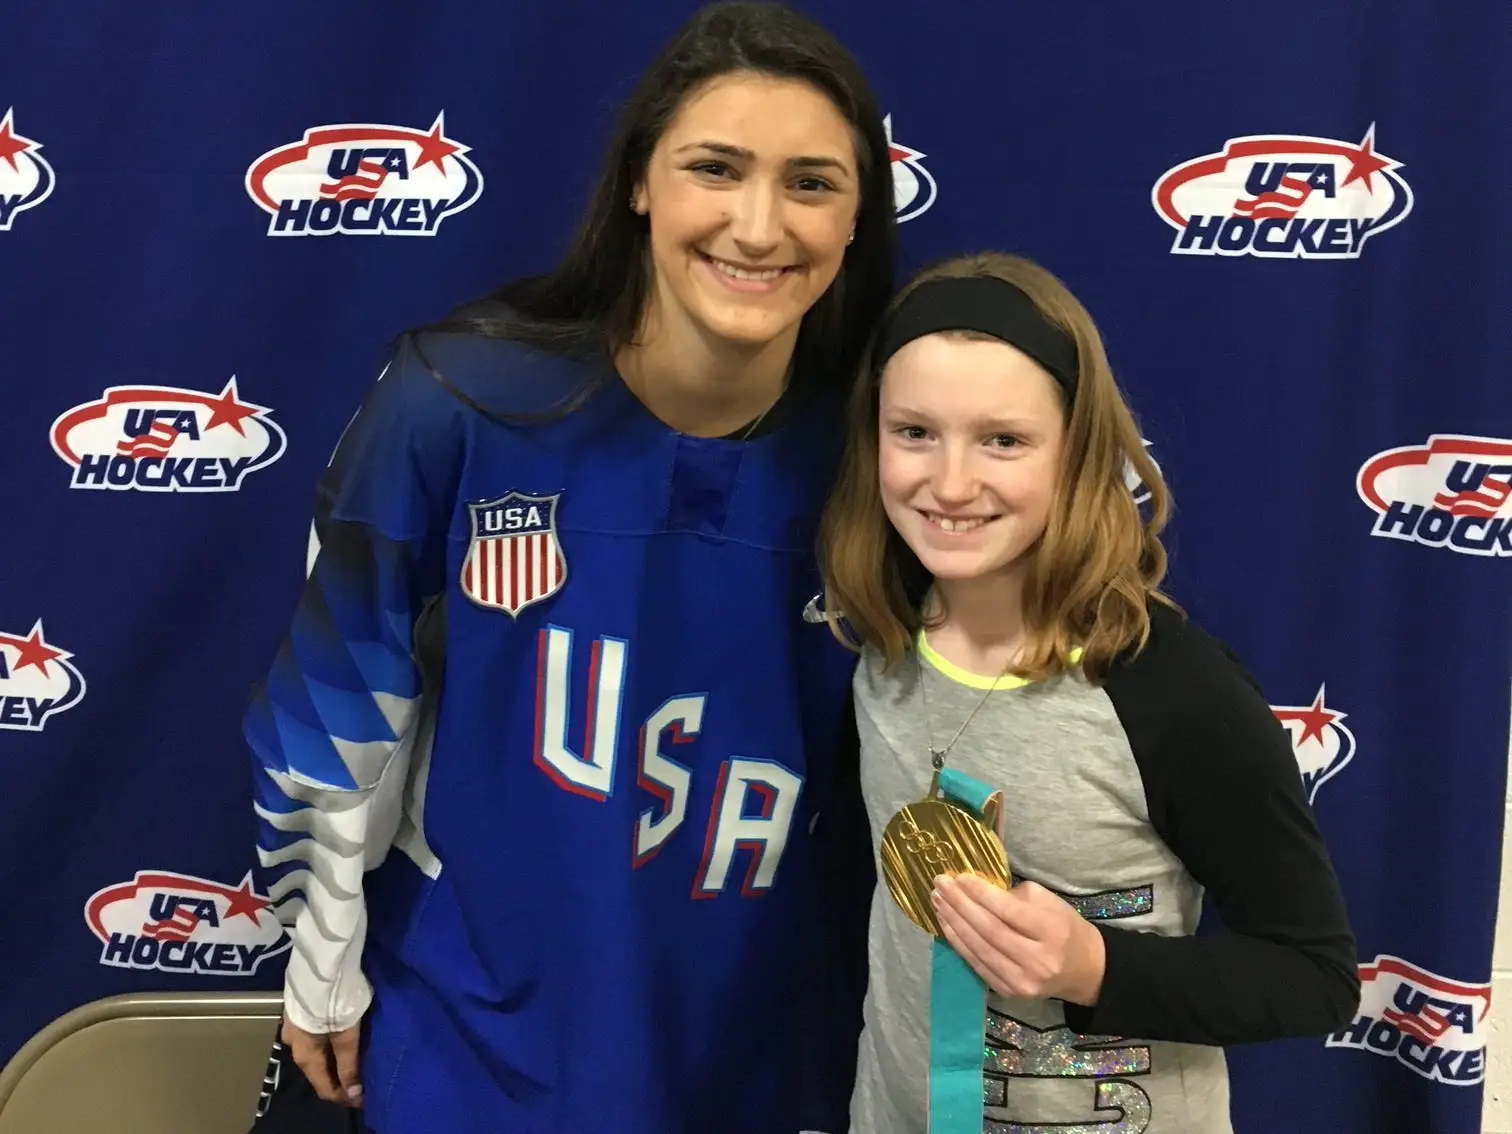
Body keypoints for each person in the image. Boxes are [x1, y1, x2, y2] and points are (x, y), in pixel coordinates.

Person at [244, 4, 897, 1132]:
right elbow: (341, 694)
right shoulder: (456, 403)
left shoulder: (894, 459)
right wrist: (324, 959)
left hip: (760, 1033)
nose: (757, 224)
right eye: (715, 168)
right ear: (641, 181)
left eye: (810, 183)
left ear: (856, 219)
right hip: (467, 1027)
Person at [817, 251, 1360, 1133]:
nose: (950, 483)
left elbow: (1315, 978)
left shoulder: (1172, 693)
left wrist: (1094, 967)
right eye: (914, 432)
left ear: (1078, 454)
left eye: (1004, 440)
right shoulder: (879, 648)